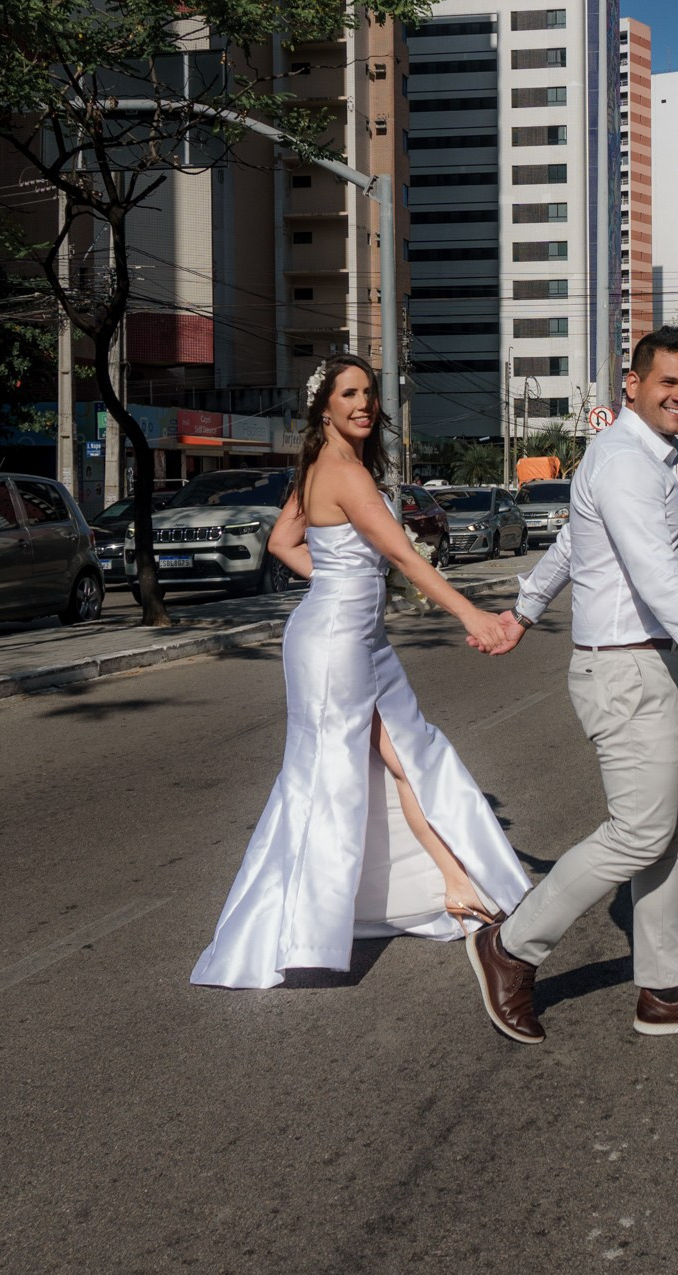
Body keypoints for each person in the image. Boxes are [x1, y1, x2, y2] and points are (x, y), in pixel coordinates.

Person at [465, 327, 678, 1043]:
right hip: (625, 669)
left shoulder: (648, 458)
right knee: (640, 833)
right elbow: (659, 583)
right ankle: (510, 946)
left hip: (662, 665)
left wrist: (522, 610)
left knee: (674, 832)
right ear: (634, 386)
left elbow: (569, 545)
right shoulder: (622, 461)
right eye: (669, 382)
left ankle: (667, 991)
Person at [189, 355, 531, 990]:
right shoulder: (343, 472)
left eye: (368, 392)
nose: (363, 403)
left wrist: (346, 581)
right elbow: (404, 556)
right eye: (349, 393)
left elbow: (284, 544)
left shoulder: (322, 468)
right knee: (333, 776)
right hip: (335, 646)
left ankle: (455, 882)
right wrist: (472, 615)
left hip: (354, 637)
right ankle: (296, 930)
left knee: (408, 756)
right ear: (325, 408)